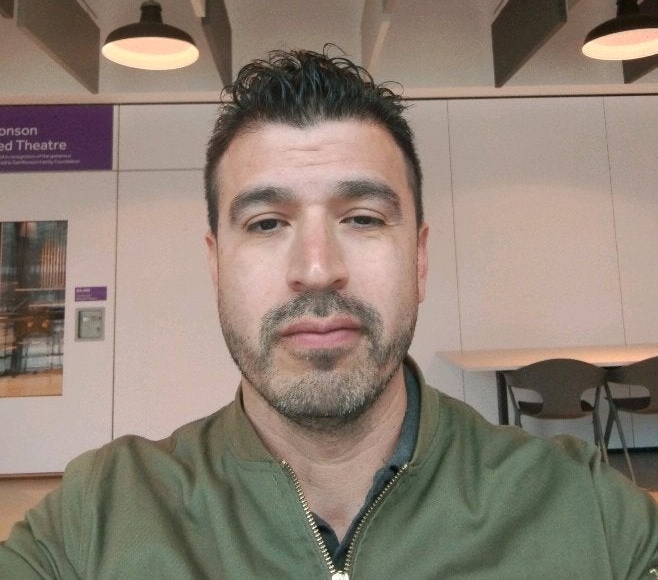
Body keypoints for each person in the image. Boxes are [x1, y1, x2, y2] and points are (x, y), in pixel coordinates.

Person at [1, 48, 657, 579]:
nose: (316, 269)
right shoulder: (95, 520)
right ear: (216, 265)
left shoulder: (590, 515)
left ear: (419, 258)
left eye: (363, 218)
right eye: (266, 223)